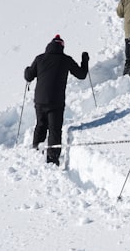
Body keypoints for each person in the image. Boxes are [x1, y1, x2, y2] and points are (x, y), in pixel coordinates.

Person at [23, 35, 90, 165]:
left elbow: (29, 76)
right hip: (56, 102)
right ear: (62, 47)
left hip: (40, 100)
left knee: (41, 125)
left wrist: (26, 70)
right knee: (54, 129)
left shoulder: (40, 58)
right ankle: (52, 159)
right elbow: (81, 75)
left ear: (49, 46)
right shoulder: (66, 60)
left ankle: (36, 150)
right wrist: (85, 60)